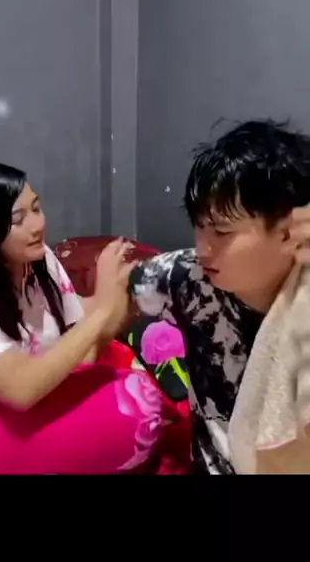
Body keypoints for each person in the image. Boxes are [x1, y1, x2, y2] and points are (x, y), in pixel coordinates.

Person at [0, 162, 170, 475]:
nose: (37, 226)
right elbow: (21, 390)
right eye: (18, 220)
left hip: (37, 394)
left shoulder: (38, 259)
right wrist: (104, 310)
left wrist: (118, 296)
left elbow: (80, 342)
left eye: (36, 208)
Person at [131, 119, 310, 474]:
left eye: (222, 232)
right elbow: (111, 299)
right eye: (199, 226)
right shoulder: (187, 276)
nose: (203, 249)